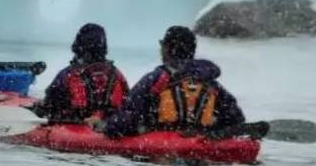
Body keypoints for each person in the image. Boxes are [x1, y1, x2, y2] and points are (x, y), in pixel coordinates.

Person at [102, 26, 246, 138]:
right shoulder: (210, 83)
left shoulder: (156, 79)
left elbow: (125, 120)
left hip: (161, 148)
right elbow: (236, 118)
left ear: (167, 49)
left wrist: (107, 127)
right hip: (200, 146)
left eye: (162, 45)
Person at [34, 23, 129, 126]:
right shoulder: (117, 75)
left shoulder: (68, 74)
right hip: (109, 127)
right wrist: (100, 116)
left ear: (78, 45)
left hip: (73, 127)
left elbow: (48, 104)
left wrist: (37, 108)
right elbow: (128, 106)